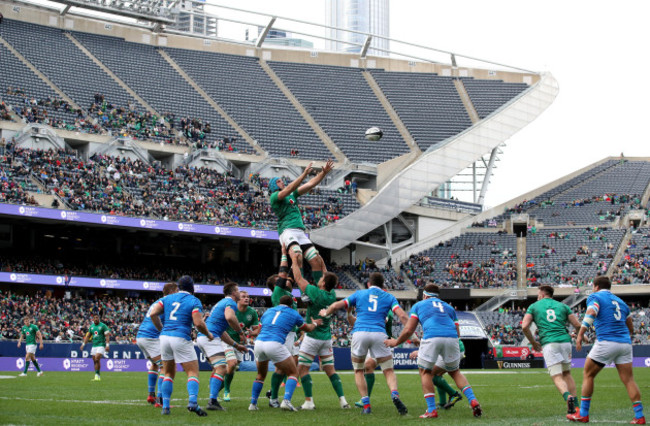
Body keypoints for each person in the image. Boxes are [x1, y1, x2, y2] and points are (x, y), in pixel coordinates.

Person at [386, 283, 482, 419]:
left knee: (426, 372)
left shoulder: (419, 305)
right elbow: (458, 332)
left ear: (424, 295)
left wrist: (395, 342)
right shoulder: (449, 307)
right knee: (455, 372)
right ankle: (473, 400)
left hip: (432, 336)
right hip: (452, 337)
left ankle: (431, 409)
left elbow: (409, 330)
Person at [321, 272, 409, 415]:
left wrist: (326, 312)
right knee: (388, 370)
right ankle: (394, 394)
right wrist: (412, 332)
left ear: (369, 284)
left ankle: (366, 405)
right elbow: (403, 316)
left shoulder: (360, 293)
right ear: (383, 285)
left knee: (358, 370)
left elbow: (337, 305)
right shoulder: (389, 297)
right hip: (379, 334)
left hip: (360, 332)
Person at [568, 276, 645, 424]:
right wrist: (625, 336)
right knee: (629, 380)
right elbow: (630, 325)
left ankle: (583, 414)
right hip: (624, 343)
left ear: (596, 286)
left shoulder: (595, 296)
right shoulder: (621, 302)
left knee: (588, 374)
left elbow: (591, 312)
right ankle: (639, 416)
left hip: (606, 341)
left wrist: (581, 333)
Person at [289, 256, 350, 410]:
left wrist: (294, 262)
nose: (320, 278)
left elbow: (298, 278)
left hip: (312, 336)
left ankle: (309, 401)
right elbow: (326, 274)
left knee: (302, 369)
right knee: (330, 371)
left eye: (322, 278)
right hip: (326, 338)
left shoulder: (314, 292)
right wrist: (321, 260)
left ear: (323, 283)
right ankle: (343, 401)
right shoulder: (332, 295)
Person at [149, 276, 213, 417]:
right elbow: (198, 323)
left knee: (168, 373)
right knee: (192, 372)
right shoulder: (194, 301)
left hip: (165, 337)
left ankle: (165, 407)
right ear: (193, 288)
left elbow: (153, 313)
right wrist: (208, 334)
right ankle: (193, 403)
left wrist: (161, 328)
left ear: (179, 287)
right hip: (181, 336)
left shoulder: (168, 298)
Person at [249, 295, 322, 412]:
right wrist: (315, 324)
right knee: (293, 372)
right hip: (274, 343)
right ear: (291, 304)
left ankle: (253, 404)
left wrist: (251, 333)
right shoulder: (293, 313)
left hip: (259, 343)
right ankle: (286, 401)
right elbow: (307, 328)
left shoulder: (268, 311)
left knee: (261, 375)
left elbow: (259, 329)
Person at [268, 159, 334, 286]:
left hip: (299, 231)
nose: (281, 181)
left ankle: (320, 288)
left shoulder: (291, 195)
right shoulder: (274, 197)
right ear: (273, 186)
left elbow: (310, 184)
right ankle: (303, 288)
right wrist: (303, 174)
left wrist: (323, 173)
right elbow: (289, 188)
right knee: (297, 254)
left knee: (315, 259)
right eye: (278, 181)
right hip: (287, 231)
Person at [522, 285, 581, 414]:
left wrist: (533, 342)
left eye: (538, 295)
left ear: (542, 295)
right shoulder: (563, 306)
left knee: (557, 376)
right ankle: (576, 406)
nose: (538, 297)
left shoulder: (534, 306)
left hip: (550, 342)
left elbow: (524, 326)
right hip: (565, 342)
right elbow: (577, 324)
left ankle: (568, 397)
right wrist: (581, 336)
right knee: (567, 374)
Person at [196, 281, 248, 411]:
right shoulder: (230, 303)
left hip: (204, 338)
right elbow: (230, 317)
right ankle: (212, 400)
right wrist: (240, 332)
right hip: (210, 339)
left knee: (219, 368)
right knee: (222, 368)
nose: (239, 292)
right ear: (233, 293)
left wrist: (237, 345)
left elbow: (222, 332)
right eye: (238, 290)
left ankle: (213, 393)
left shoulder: (221, 303)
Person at [265, 249, 300, 408]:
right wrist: (285, 254)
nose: (287, 281)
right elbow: (285, 273)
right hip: (284, 334)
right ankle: (275, 397)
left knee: (288, 366)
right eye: (282, 279)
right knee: (282, 367)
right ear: (276, 284)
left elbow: (291, 276)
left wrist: (296, 260)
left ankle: (273, 394)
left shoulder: (286, 291)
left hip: (291, 334)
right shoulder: (278, 292)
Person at [136, 282, 178, 407]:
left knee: (155, 364)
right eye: (176, 290)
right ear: (171, 292)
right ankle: (160, 400)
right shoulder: (169, 302)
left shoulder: (158, 302)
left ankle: (151, 395)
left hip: (141, 336)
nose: (178, 293)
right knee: (166, 368)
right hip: (151, 337)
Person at [221, 290, 260, 402]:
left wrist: (250, 333)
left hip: (240, 344)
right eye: (243, 296)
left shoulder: (252, 312)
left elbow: (256, 329)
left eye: (248, 297)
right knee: (232, 364)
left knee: (232, 369)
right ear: (238, 299)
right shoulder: (231, 309)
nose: (246, 298)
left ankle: (217, 387)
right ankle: (227, 391)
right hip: (226, 340)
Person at [80, 313, 110, 382]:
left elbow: (107, 336)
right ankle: (97, 376)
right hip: (94, 345)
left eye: (97, 317)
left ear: (99, 318)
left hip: (101, 345)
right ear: (93, 319)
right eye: (95, 318)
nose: (96, 319)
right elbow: (88, 336)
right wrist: (83, 344)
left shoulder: (103, 326)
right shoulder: (91, 327)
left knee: (97, 358)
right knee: (95, 360)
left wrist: (107, 345)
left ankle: (97, 376)